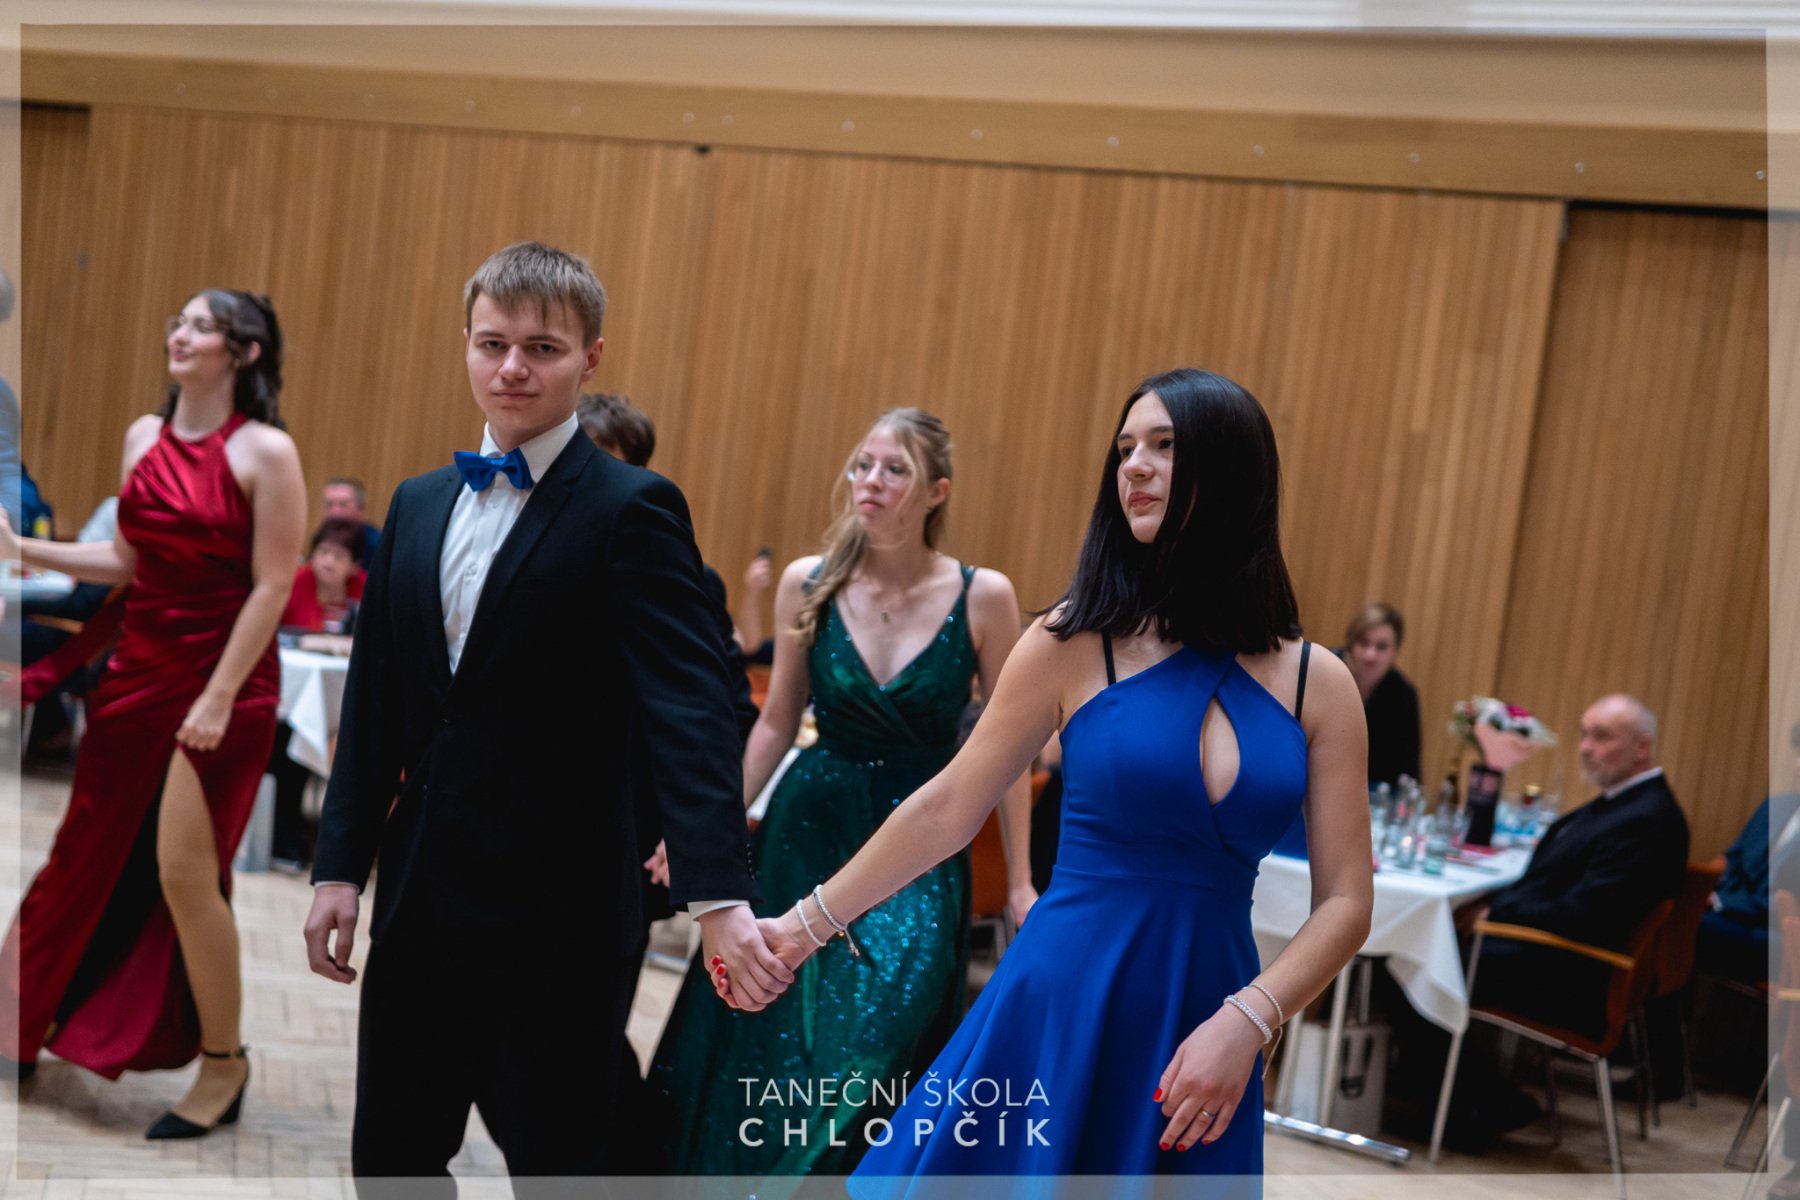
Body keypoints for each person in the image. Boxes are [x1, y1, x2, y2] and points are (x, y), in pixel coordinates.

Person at [730, 369, 1374, 1184]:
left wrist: (1251, 1017)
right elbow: (947, 807)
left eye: (1165, 446)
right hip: (1061, 997)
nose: (1134, 466)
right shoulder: (1073, 642)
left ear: (1233, 467)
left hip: (1212, 1012)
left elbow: (1347, 900)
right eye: (1125, 448)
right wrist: (804, 926)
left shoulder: (1321, 683)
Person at [302, 242, 786, 1192]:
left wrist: (717, 895)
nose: (513, 368)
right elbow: (375, 706)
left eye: (542, 348)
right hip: (419, 899)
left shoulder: (634, 509)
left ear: (590, 358)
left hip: (560, 916)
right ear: (467, 346)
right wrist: (337, 868)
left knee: (563, 1170)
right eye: (493, 344)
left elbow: (691, 713)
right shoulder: (416, 504)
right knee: (392, 1165)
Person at [648, 407, 1041, 1175]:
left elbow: (1011, 753)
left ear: (936, 492)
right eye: (863, 464)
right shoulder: (809, 581)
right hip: (807, 828)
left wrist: (1021, 882)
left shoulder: (984, 596)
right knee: (769, 1033)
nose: (871, 481)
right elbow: (775, 723)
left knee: (879, 1036)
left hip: (922, 842)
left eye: (895, 469)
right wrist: (704, 838)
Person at [0, 290, 305, 1142]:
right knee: (83, 851)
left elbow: (273, 586)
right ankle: (21, 1022)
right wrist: (23, 550)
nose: (180, 334)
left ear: (243, 352)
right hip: (138, 675)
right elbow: (127, 558)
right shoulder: (144, 436)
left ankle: (224, 1064)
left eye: (202, 325)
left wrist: (217, 695)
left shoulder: (266, 451)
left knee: (182, 872)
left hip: (225, 684)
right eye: (178, 321)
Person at [1341, 602, 1421, 787]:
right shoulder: (1324, 672)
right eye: (1363, 643)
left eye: (1381, 647)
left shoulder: (1404, 695)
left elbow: (1409, 773)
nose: (1370, 654)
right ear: (1351, 643)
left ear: (1396, 650)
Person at [279, 517, 368, 634]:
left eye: (339, 555)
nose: (328, 562)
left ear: (354, 565)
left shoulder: (368, 588)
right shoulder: (292, 582)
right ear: (312, 555)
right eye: (323, 551)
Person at [321, 476, 381, 569]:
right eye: (329, 504)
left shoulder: (378, 547)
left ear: (361, 509)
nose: (335, 512)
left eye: (343, 504)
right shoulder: (321, 539)